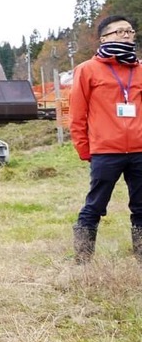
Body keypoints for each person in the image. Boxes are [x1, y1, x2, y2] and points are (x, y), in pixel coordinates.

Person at [69, 14, 142, 264]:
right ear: (104, 38)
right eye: (119, 32)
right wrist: (84, 149)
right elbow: (77, 114)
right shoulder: (87, 70)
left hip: (139, 151)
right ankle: (83, 260)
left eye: (130, 31)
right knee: (95, 206)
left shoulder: (140, 69)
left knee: (141, 207)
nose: (126, 35)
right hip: (105, 152)